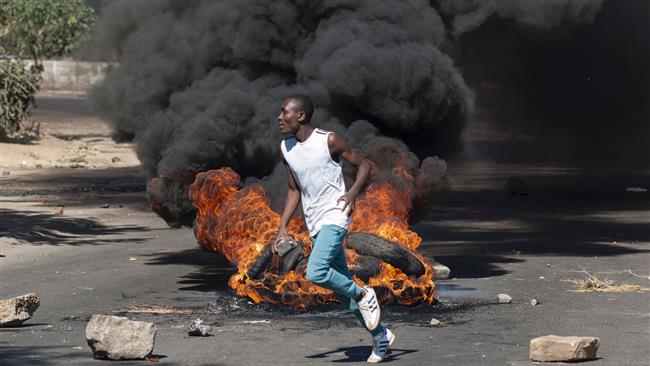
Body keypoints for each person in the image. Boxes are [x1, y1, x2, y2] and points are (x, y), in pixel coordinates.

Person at [275, 95, 395, 363]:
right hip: (314, 222)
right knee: (343, 294)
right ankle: (380, 336)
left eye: (285, 113)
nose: (279, 118)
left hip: (336, 215)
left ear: (301, 116)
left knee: (316, 272)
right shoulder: (286, 147)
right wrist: (282, 227)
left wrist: (352, 192)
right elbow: (294, 189)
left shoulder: (328, 140)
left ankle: (364, 293)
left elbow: (363, 165)